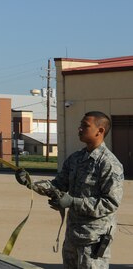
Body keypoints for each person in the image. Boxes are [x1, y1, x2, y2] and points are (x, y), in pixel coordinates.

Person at [16, 111, 124, 268]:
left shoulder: (108, 164)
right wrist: (30, 182)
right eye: (80, 125)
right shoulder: (76, 159)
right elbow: (57, 185)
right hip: (73, 236)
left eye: (85, 126)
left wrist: (73, 202)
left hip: (93, 239)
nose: (79, 129)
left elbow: (110, 203)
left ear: (100, 131)